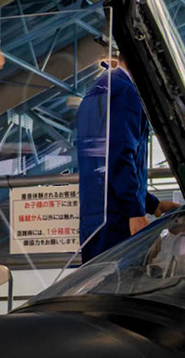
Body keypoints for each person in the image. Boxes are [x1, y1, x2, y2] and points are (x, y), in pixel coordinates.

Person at [75, 55, 176, 260]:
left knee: (98, 284)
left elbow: (103, 163)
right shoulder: (126, 92)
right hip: (118, 219)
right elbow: (120, 154)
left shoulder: (99, 89)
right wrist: (135, 213)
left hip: (96, 218)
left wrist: (151, 204)